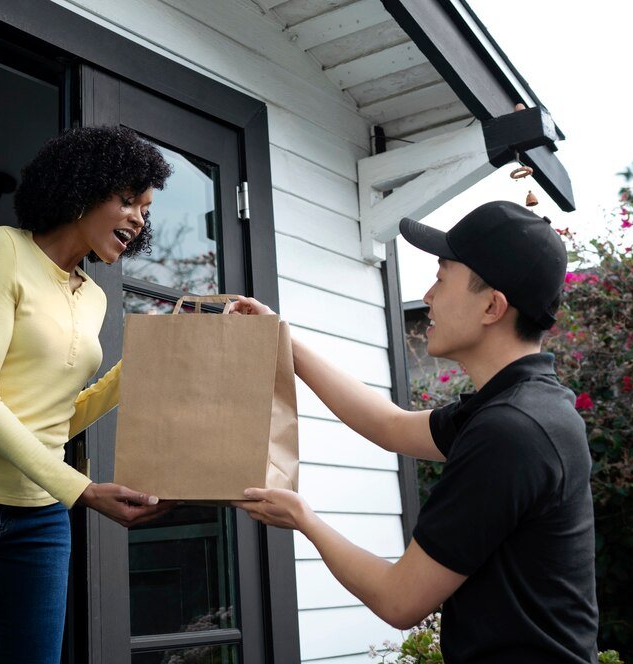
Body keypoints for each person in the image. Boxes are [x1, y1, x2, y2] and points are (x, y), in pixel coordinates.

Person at [231, 201, 599, 663]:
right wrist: (282, 337)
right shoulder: (523, 406)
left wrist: (304, 519)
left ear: (492, 306)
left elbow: (399, 600)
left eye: (442, 279)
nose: (427, 296)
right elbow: (391, 425)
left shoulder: (512, 431)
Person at [0, 126, 173, 663]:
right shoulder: (3, 248)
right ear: (84, 188)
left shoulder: (94, 298)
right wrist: (82, 490)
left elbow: (57, 418)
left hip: (39, 515)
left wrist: (144, 365)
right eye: (127, 200)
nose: (139, 219)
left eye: (146, 210)